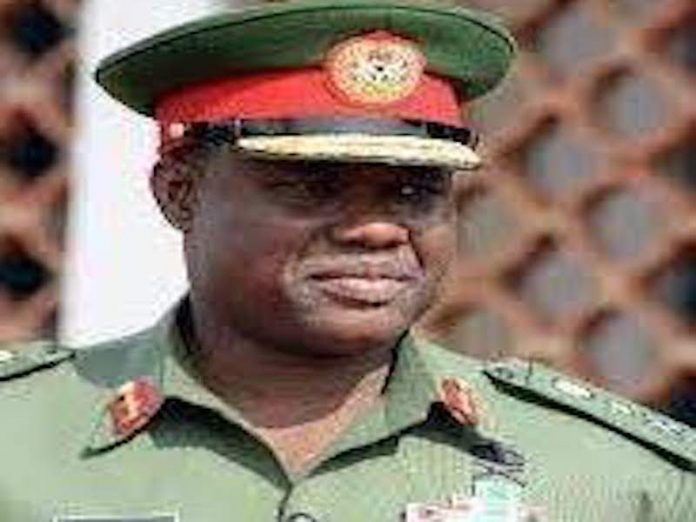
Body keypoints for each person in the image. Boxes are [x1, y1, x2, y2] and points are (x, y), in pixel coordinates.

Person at [0, 1, 693, 521]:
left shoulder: (617, 480)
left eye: (415, 191)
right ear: (181, 193)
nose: (376, 230)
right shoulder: (18, 440)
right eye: (313, 187)